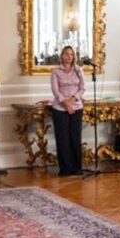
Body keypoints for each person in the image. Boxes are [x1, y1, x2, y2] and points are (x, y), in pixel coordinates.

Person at [50, 45, 85, 175]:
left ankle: (76, 168)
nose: (69, 56)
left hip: (76, 107)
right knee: (62, 138)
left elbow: (82, 88)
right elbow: (55, 90)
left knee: (75, 137)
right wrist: (66, 103)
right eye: (66, 54)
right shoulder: (55, 71)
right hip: (60, 108)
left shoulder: (78, 70)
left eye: (71, 54)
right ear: (62, 56)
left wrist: (72, 101)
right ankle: (65, 168)